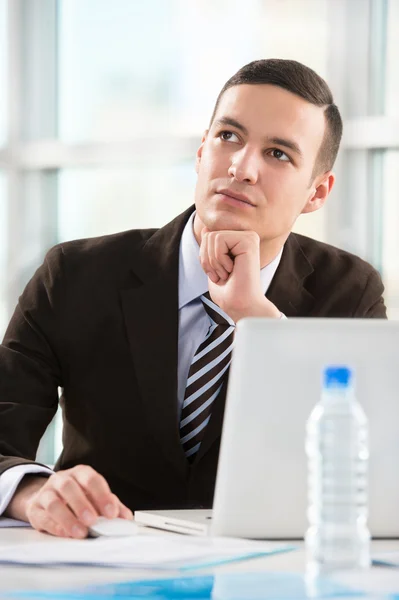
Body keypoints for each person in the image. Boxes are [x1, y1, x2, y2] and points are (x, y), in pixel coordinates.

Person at [0, 59, 386, 540]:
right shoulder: (75, 275)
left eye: (279, 154)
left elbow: (371, 460)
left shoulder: (349, 290)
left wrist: (258, 320)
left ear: (317, 192)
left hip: (266, 575)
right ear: (202, 150)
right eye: (228, 137)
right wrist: (33, 491)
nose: (241, 168)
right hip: (100, 561)